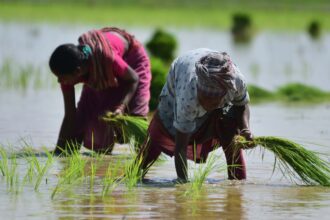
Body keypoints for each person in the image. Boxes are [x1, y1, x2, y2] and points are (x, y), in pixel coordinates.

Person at [138, 48, 253, 182]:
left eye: (213, 98)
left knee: (230, 130)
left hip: (215, 81)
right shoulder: (187, 95)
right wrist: (183, 183)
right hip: (179, 80)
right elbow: (180, 147)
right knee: (161, 132)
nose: (208, 103)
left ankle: (237, 182)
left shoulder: (236, 82)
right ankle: (136, 173)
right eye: (204, 96)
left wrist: (246, 129)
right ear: (199, 88)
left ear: (224, 93)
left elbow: (242, 104)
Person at [49, 27, 151, 155]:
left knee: (136, 115)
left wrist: (121, 106)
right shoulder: (70, 73)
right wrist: (59, 151)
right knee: (84, 116)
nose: (59, 81)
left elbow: (133, 79)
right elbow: (70, 116)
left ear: (77, 72)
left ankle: (145, 161)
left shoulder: (108, 59)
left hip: (132, 61)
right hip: (101, 68)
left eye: (61, 77)